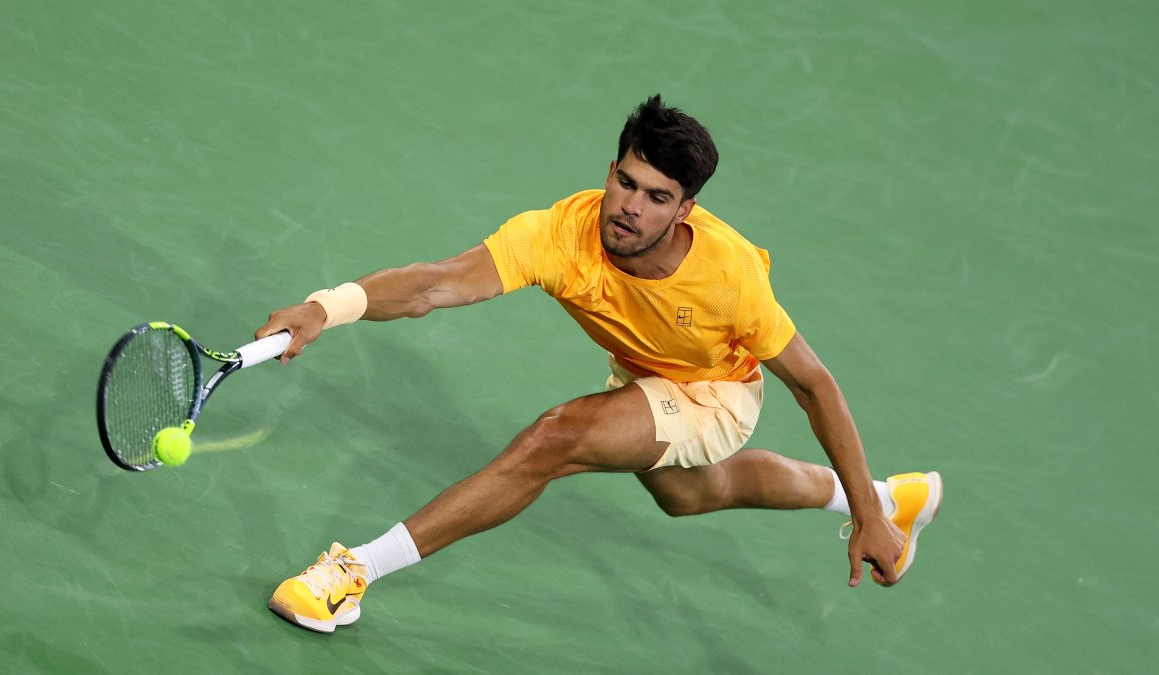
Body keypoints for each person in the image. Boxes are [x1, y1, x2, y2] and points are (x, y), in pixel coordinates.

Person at [257, 94, 943, 634]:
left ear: (686, 210)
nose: (630, 208)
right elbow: (435, 283)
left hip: (717, 392)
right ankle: (889, 498)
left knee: (558, 437)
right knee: (695, 494)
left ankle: (352, 573)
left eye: (656, 197)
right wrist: (326, 305)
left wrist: (863, 527)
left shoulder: (729, 276)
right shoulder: (561, 234)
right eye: (627, 181)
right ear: (608, 170)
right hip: (643, 373)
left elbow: (814, 383)